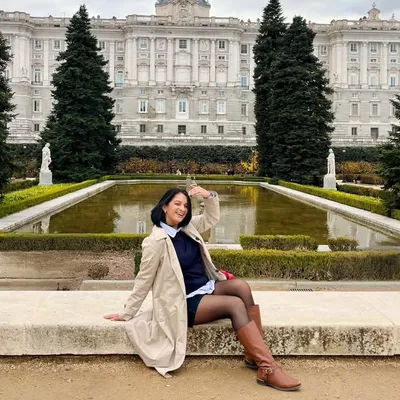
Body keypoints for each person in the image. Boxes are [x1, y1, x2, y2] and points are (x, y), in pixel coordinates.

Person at [104, 185, 301, 391]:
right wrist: (127, 313)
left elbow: (211, 217)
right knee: (234, 305)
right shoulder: (155, 242)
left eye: (186, 205)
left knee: (241, 286)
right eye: (177, 204)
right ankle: (267, 368)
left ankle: (253, 355)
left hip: (204, 287)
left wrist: (209, 196)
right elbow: (143, 281)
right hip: (183, 301)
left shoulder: (188, 227)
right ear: (164, 207)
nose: (182, 209)